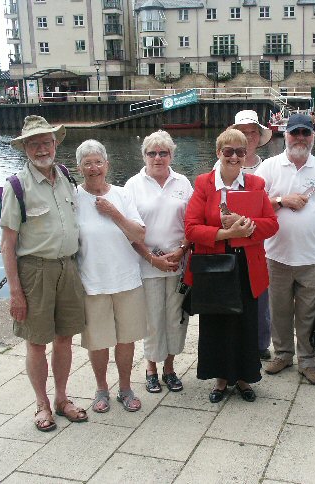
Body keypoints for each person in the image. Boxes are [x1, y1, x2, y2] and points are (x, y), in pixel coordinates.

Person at [0, 115, 87, 432]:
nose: (41, 148)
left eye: (46, 142)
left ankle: (62, 398)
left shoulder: (64, 175)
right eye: (34, 143)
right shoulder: (16, 187)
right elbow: (8, 245)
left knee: (65, 338)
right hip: (35, 271)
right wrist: (15, 292)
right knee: (36, 342)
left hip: (68, 267)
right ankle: (42, 404)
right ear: (24, 148)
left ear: (55, 143)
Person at [184, 128, 279, 403]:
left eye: (240, 151)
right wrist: (226, 234)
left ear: (246, 154)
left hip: (246, 264)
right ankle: (221, 379)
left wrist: (246, 225)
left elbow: (272, 224)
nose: (235, 157)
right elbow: (191, 228)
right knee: (217, 322)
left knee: (246, 322)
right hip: (215, 262)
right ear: (219, 153)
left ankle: (244, 378)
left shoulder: (256, 184)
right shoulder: (204, 183)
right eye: (229, 151)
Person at [255, 113, 315, 386]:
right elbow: (254, 207)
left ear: (313, 136)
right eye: (295, 133)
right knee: (278, 309)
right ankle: (282, 354)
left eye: (305, 133)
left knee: (308, 312)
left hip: (313, 256)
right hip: (276, 255)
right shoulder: (269, 167)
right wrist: (282, 200)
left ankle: (307, 359)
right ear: (285, 135)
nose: (300, 138)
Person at [75, 139, 147, 413]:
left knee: (126, 339)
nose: (94, 168)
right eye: (87, 163)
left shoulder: (121, 195)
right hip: (92, 282)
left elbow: (139, 234)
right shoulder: (74, 197)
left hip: (126, 280)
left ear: (107, 164)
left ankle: (126, 388)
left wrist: (113, 213)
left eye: (98, 162)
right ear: (80, 167)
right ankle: (101, 389)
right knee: (99, 341)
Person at [124, 130, 193, 394]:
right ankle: (151, 368)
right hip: (147, 264)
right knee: (153, 319)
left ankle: (170, 367)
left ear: (171, 155)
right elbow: (128, 230)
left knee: (176, 318)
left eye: (163, 153)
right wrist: (152, 258)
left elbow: (192, 222)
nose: (157, 158)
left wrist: (182, 250)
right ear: (144, 156)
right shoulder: (133, 185)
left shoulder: (183, 183)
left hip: (178, 262)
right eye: (152, 153)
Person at [219, 110, 274, 360]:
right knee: (231, 297)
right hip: (229, 241)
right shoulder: (218, 168)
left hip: (262, 242)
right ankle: (234, 345)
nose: (248, 137)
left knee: (261, 298)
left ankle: (260, 344)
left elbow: (269, 210)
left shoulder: (268, 166)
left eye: (252, 132)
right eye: (243, 132)